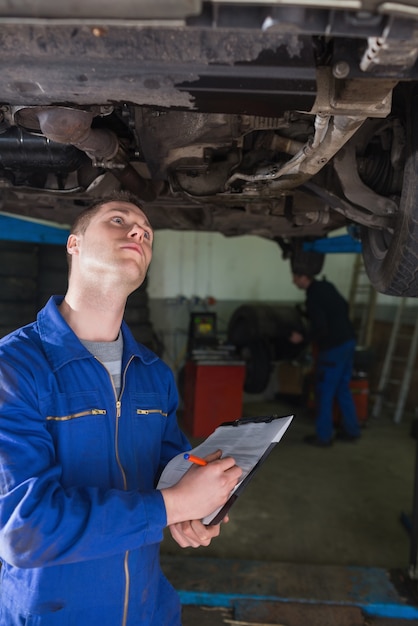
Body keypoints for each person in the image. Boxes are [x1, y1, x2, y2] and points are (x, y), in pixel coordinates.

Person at [0, 192, 242, 625]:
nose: (138, 232)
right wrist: (170, 506)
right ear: (73, 244)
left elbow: (173, 471)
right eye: (118, 220)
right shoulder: (14, 367)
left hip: (148, 609)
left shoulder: (153, 373)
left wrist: (198, 509)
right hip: (53, 614)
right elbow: (24, 530)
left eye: (147, 233)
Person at [289, 271, 361, 447]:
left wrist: (302, 338)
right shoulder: (326, 286)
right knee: (342, 388)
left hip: (333, 349)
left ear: (304, 277)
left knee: (324, 392)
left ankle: (324, 437)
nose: (293, 280)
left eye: (296, 276)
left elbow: (320, 327)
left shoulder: (312, 296)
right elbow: (341, 307)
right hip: (348, 341)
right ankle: (352, 431)